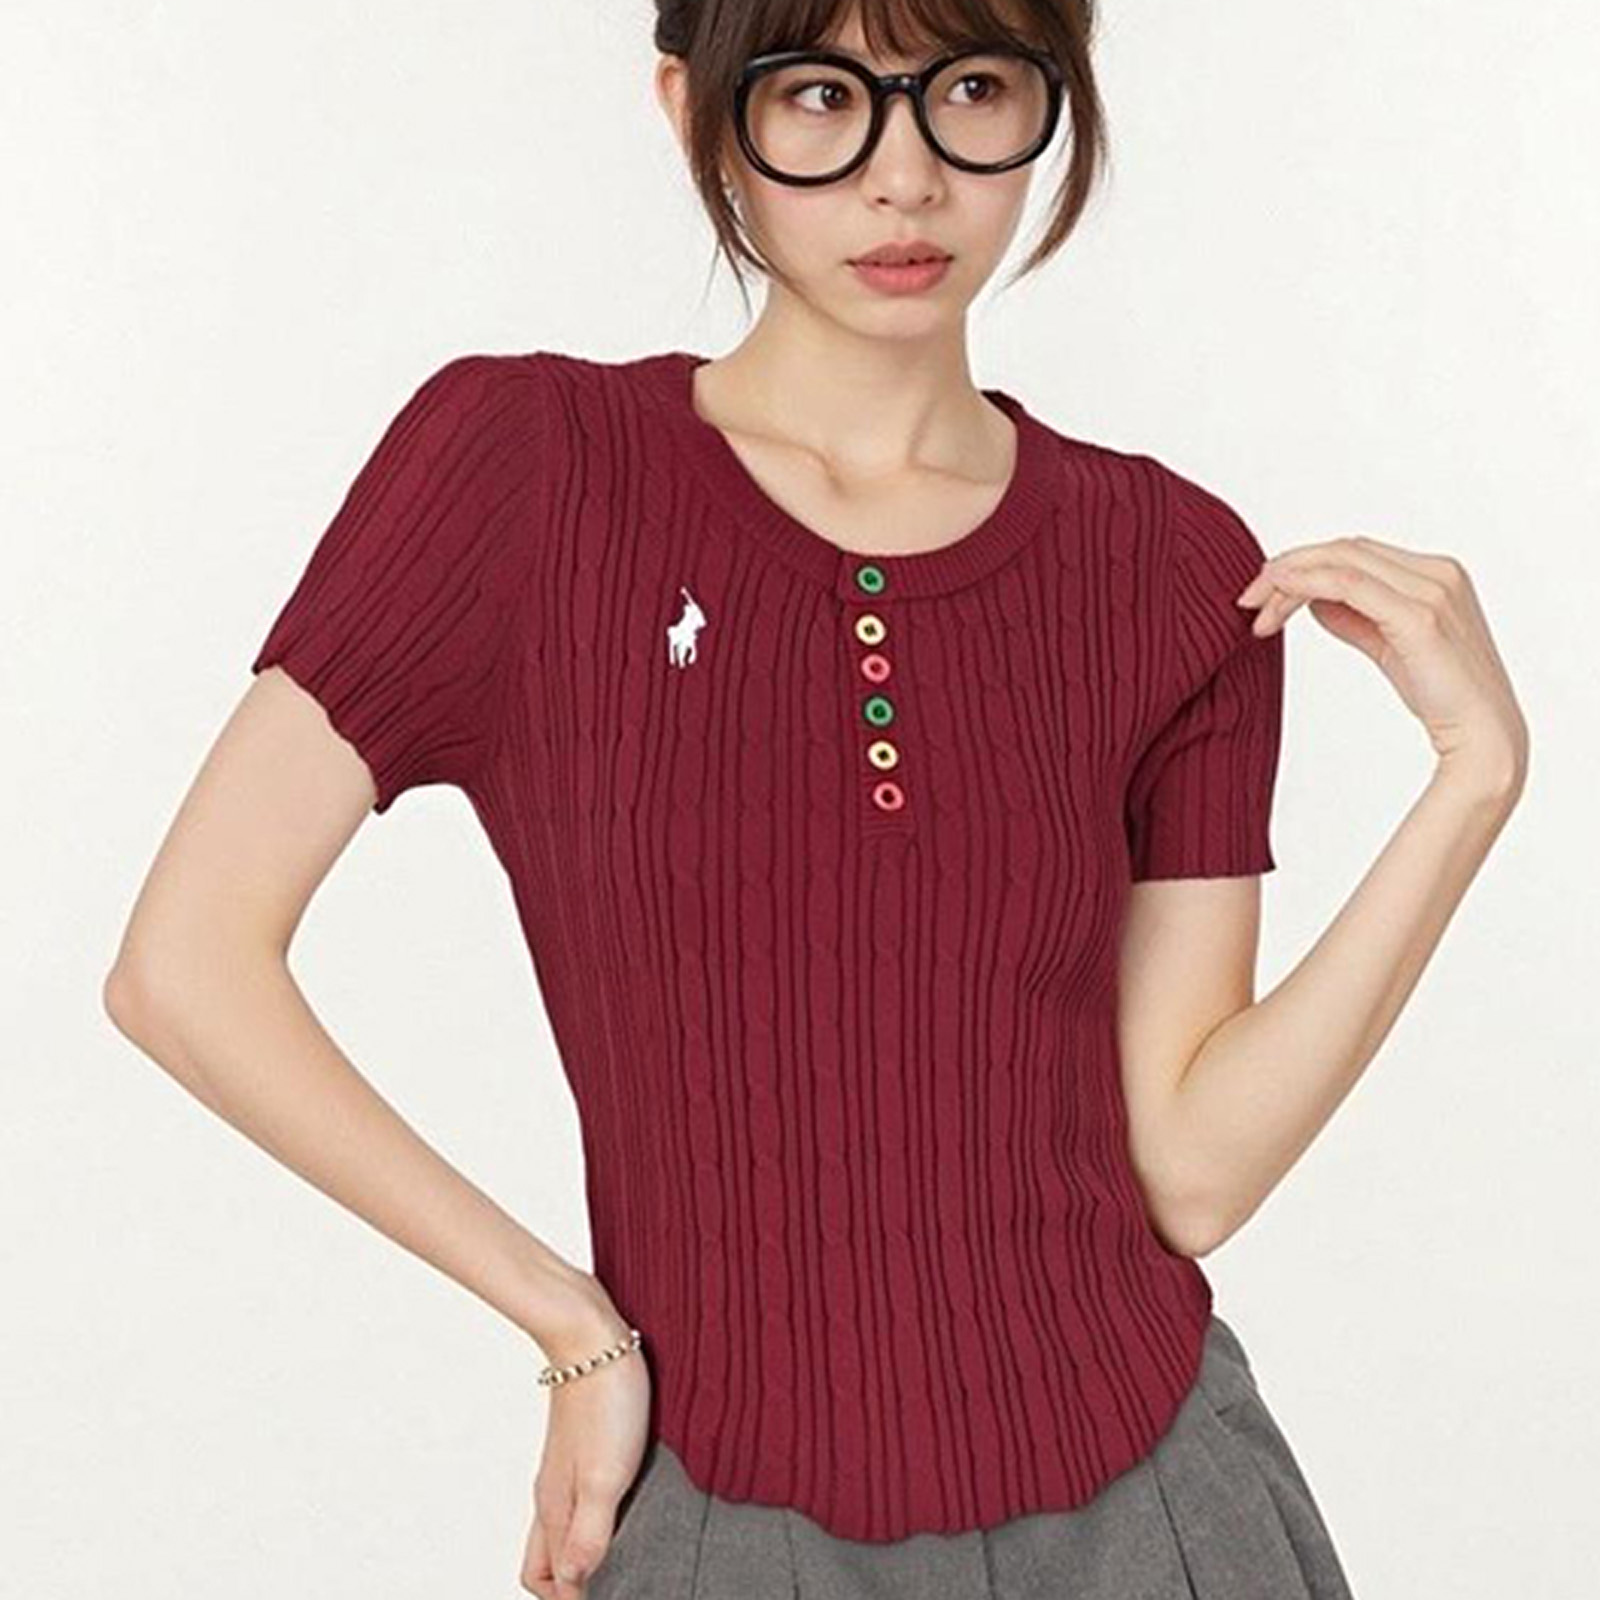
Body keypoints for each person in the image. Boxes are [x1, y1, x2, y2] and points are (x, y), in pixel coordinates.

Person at [104, 0, 1530, 1596]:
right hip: (726, 1528)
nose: (904, 177)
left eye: (971, 88)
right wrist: (571, 1325)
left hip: (1164, 1513)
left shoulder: (1168, 564)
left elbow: (1188, 1171)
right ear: (694, 110)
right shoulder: (532, 471)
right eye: (818, 97)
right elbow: (186, 966)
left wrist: (1472, 783)